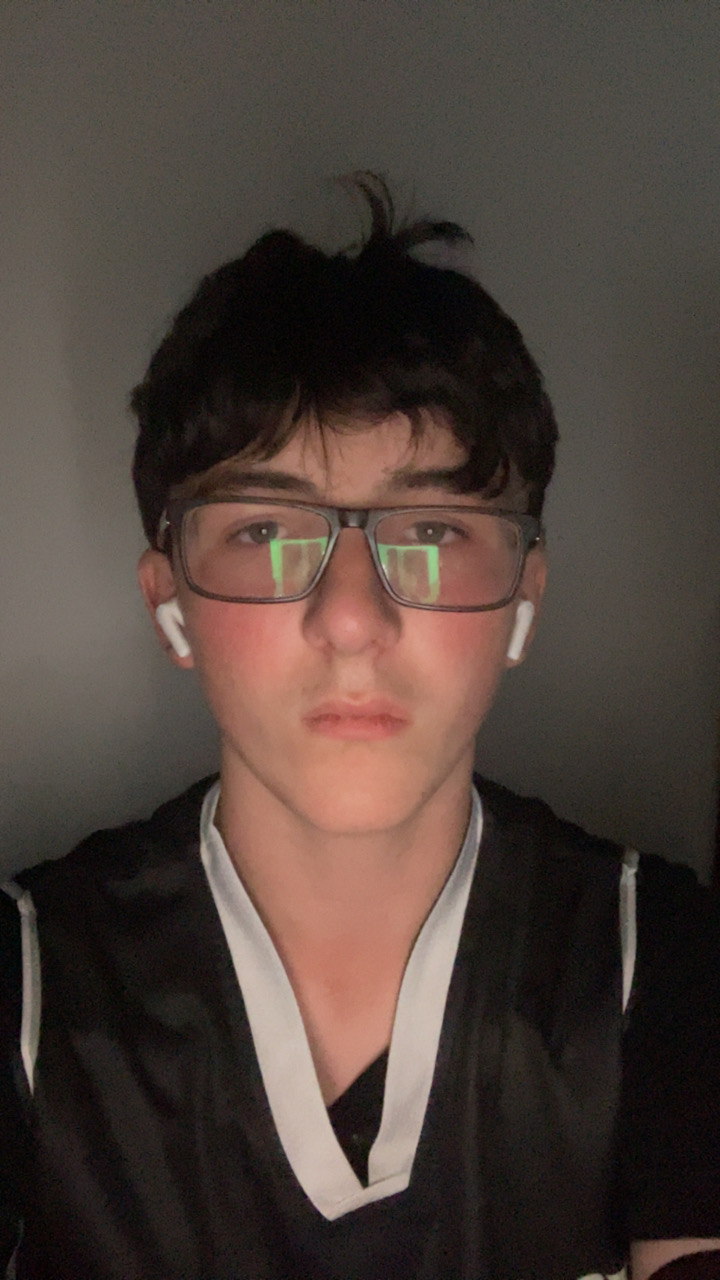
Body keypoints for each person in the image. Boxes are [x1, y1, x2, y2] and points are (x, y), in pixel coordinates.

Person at [2, 178, 719, 1280]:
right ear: (169, 601)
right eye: (264, 531)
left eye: (430, 531)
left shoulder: (660, 965)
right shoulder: (28, 990)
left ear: (523, 599)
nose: (351, 618)